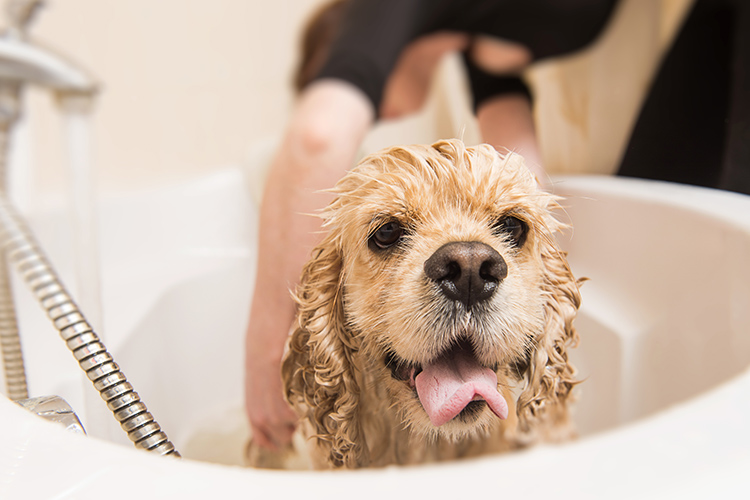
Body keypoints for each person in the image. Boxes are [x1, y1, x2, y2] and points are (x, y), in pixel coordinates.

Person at [244, 0, 619, 451]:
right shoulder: (485, 45)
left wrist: (265, 362)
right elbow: (524, 173)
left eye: (366, 95)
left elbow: (317, 136)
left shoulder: (381, 8)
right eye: (388, 234)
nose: (472, 261)